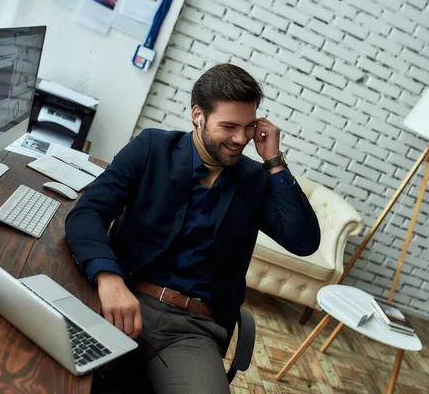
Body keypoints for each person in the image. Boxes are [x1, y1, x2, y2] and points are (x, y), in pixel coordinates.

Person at [65, 64, 320, 393]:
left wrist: (274, 160)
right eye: (229, 126)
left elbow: (304, 241)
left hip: (193, 331)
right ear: (197, 115)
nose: (240, 139)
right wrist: (109, 280)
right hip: (122, 302)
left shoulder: (254, 179)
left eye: (249, 127)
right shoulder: (152, 148)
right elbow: (87, 213)